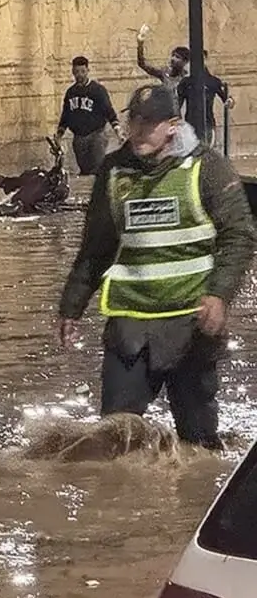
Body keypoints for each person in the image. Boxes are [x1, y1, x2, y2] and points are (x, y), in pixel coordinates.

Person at [57, 83, 256, 450]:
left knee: (198, 444)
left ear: (173, 125)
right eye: (134, 120)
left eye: (149, 123)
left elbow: (240, 235)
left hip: (191, 326)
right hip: (131, 326)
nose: (137, 131)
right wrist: (71, 308)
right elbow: (96, 248)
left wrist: (219, 295)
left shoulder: (207, 167)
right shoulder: (113, 173)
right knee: (115, 439)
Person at [54, 56, 125, 176]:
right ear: (72, 72)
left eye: (82, 71)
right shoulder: (71, 92)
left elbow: (109, 111)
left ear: (88, 71)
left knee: (97, 169)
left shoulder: (98, 90)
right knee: (85, 171)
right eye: (76, 72)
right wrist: (59, 135)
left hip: (96, 135)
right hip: (79, 138)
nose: (79, 75)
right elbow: (65, 116)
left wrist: (118, 131)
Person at [0, 137, 70, 216]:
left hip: (28, 203)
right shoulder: (39, 177)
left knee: (16, 203)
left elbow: (58, 169)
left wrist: (60, 155)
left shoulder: (50, 182)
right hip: (25, 200)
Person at [177, 60, 235, 149]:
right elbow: (178, 104)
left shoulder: (213, 81)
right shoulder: (185, 82)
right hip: (190, 123)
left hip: (208, 122)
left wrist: (229, 101)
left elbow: (226, 99)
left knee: (207, 149)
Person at [137, 26, 189, 91]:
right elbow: (142, 64)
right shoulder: (164, 72)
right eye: (173, 55)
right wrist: (140, 44)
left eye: (177, 57)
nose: (173, 58)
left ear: (185, 61)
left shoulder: (187, 77)